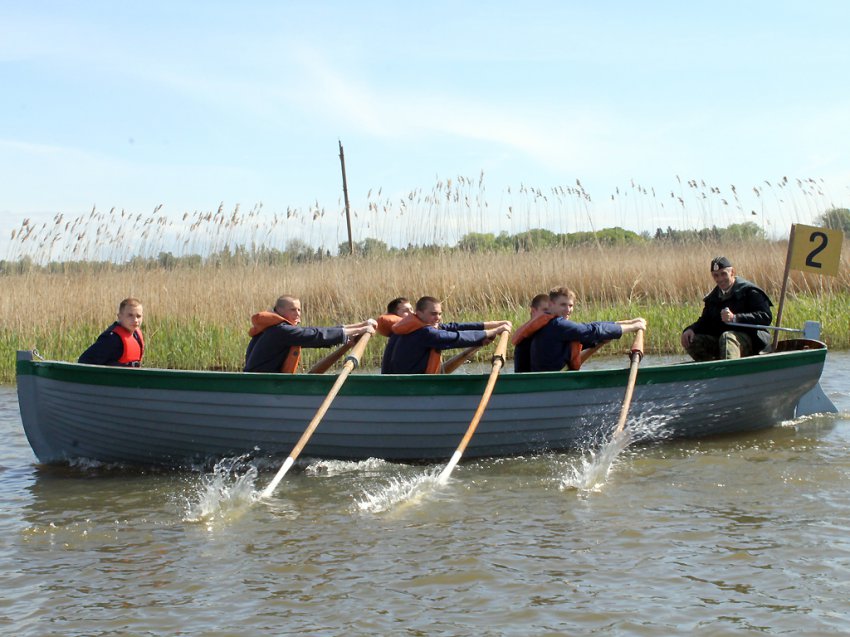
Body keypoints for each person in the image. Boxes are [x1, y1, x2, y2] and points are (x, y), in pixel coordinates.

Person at [244, 295, 376, 373]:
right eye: (292, 310)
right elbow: (315, 336)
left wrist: (362, 325)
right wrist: (360, 330)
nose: (297, 314)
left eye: (299, 309)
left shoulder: (277, 328)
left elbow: (316, 331)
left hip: (266, 383)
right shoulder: (280, 331)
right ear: (279, 310)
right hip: (261, 384)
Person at [381, 296, 511, 374]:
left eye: (439, 313)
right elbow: (455, 338)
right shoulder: (424, 332)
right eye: (433, 314)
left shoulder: (416, 325)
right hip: (406, 387)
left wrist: (494, 324)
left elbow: (454, 327)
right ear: (419, 313)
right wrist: (493, 332)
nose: (437, 317)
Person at [529, 287, 646, 372]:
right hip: (551, 383)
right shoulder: (557, 325)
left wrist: (627, 323)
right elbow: (591, 331)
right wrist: (633, 327)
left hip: (553, 379)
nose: (568, 310)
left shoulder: (551, 323)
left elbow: (589, 328)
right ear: (551, 304)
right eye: (563, 305)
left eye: (570, 306)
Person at [681, 256, 773, 360]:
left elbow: (766, 317)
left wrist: (735, 318)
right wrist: (691, 330)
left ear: (732, 272)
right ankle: (712, 371)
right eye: (716, 275)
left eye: (723, 274)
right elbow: (705, 321)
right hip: (722, 342)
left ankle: (729, 371)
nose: (720, 279)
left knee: (727, 337)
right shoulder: (712, 298)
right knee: (692, 340)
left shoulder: (750, 292)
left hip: (752, 341)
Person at [78, 297, 145, 367]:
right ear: (119, 316)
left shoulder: (136, 335)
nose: (135, 320)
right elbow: (84, 361)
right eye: (130, 315)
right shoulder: (112, 339)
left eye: (138, 316)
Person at [511, 293, 550, 373]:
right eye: (545, 310)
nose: (549, 314)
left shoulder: (550, 331)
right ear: (533, 311)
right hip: (530, 381)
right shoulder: (525, 336)